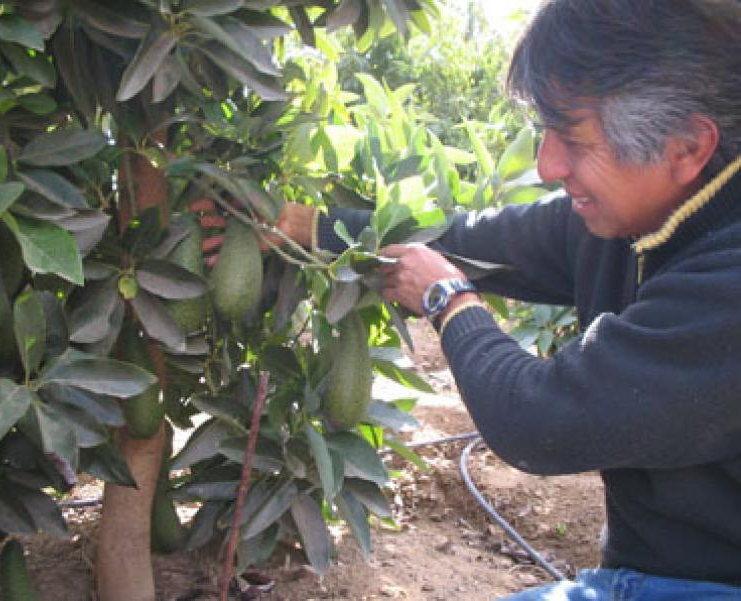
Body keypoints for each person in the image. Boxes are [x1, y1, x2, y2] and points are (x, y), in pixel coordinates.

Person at [199, 1, 741, 598]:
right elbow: (465, 238)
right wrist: (311, 227)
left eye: (573, 139)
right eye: (545, 135)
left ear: (687, 147)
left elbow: (541, 421)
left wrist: (449, 300)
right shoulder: (630, 214)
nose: (546, 165)